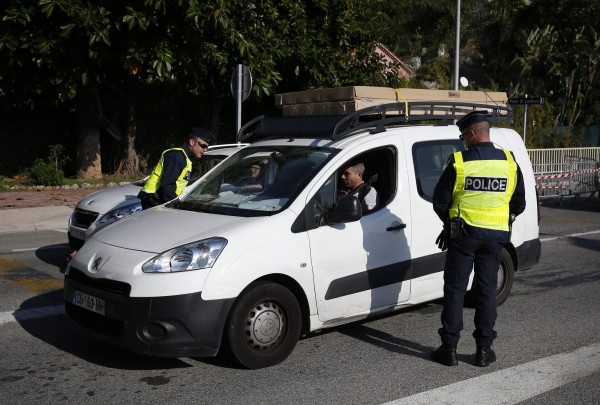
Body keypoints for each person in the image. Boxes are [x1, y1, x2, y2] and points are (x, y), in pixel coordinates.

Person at [431, 110, 526, 367]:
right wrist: (500, 220)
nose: (463, 141)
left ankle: (449, 349)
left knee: (455, 290)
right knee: (486, 293)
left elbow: (439, 201)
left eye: (464, 136)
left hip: (463, 237)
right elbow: (519, 203)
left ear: (473, 134)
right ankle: (484, 351)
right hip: (495, 238)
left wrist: (450, 222)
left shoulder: (460, 162)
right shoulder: (509, 162)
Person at [138, 127, 215, 209]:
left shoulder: (184, 157)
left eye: (206, 147)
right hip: (154, 200)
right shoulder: (178, 156)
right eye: (203, 146)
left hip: (159, 201)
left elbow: (178, 183)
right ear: (192, 142)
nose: (205, 150)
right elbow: (168, 185)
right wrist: (175, 206)